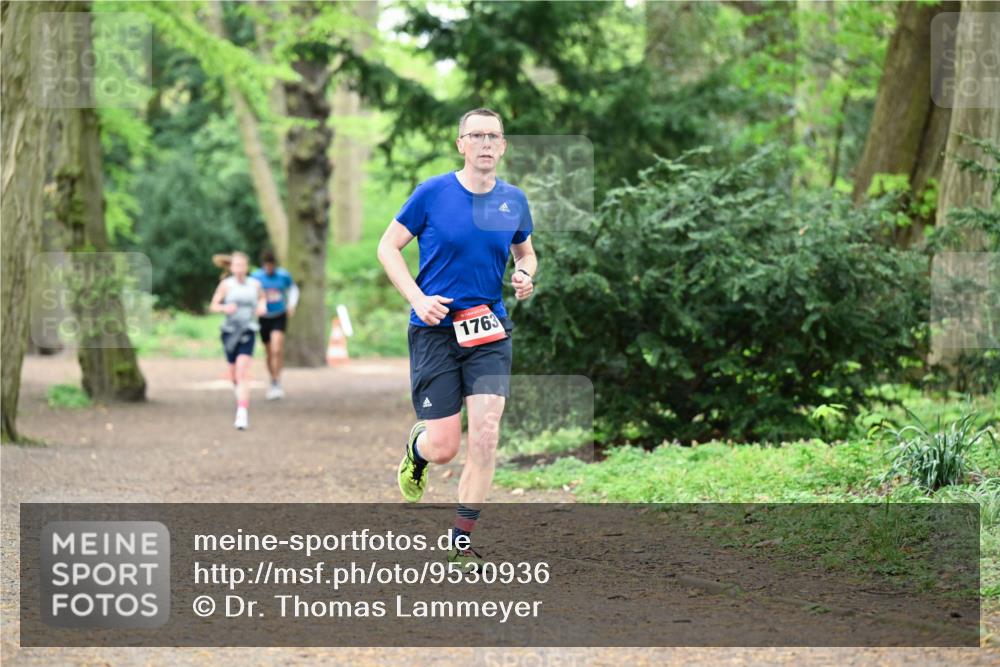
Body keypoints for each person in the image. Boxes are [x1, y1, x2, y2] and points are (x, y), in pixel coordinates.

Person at [376, 108, 537, 569]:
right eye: (477, 135)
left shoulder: (513, 201)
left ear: (503, 146)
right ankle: (417, 449)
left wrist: (524, 274)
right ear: (461, 143)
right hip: (435, 330)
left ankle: (459, 543)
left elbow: (525, 252)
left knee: (485, 435)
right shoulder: (433, 194)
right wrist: (417, 296)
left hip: (488, 329)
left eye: (494, 136)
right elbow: (387, 247)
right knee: (445, 446)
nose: (486, 143)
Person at [210, 251, 267, 430]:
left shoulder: (255, 284)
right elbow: (213, 305)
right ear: (231, 267)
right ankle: (239, 396)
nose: (240, 269)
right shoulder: (226, 285)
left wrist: (262, 307)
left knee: (243, 371)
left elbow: (263, 299)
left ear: (247, 267)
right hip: (229, 332)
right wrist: (224, 308)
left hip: (248, 330)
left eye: (243, 265)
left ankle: (242, 412)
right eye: (236, 266)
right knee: (234, 374)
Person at [251, 248, 299, 400]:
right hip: (264, 317)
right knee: (269, 351)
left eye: (271, 265)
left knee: (277, 348)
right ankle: (272, 379)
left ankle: (277, 381)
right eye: (267, 266)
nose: (269, 268)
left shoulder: (283, 276)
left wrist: (291, 305)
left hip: (279, 315)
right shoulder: (256, 277)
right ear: (264, 265)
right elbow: (251, 294)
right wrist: (255, 307)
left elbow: (293, 290)